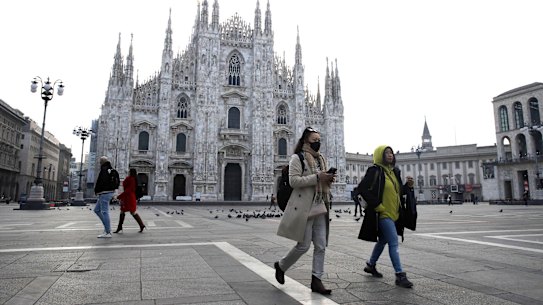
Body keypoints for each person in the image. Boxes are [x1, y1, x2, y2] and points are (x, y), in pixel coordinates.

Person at [274, 127, 336, 295]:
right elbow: (293, 181)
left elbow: (321, 180)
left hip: (321, 205)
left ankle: (317, 280)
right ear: (306, 141)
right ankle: (281, 266)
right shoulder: (297, 158)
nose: (318, 143)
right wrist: (317, 177)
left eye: (319, 140)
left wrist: (328, 179)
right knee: (304, 246)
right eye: (315, 140)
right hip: (305, 207)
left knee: (321, 245)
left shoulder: (320, 159)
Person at [357, 145, 414, 288]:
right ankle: (400, 275)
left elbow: (399, 192)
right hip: (383, 213)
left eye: (391, 153)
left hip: (395, 213)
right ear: (379, 155)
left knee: (383, 240)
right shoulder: (374, 171)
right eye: (386, 153)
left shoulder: (395, 172)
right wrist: (377, 206)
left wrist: (408, 186)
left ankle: (370, 265)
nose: (390, 155)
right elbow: (362, 189)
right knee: (393, 241)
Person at [114, 168, 146, 233]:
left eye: (129, 171)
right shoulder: (133, 179)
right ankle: (120, 227)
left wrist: (119, 196)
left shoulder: (131, 179)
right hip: (128, 197)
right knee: (124, 211)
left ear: (131, 172)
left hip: (129, 198)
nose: (128, 172)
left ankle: (141, 225)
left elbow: (129, 190)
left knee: (131, 212)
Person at [93, 156, 117, 238]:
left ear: (102, 162)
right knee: (96, 210)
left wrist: (97, 190)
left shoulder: (104, 169)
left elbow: (101, 182)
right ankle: (107, 228)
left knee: (104, 212)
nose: (99, 164)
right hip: (107, 193)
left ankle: (108, 232)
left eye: (100, 162)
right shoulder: (110, 169)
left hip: (104, 193)